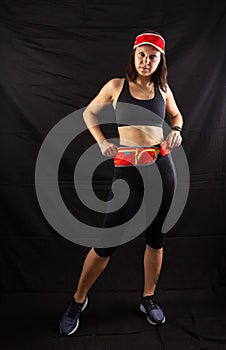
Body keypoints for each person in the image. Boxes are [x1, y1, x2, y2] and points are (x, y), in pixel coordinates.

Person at [59, 30, 183, 335]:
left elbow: (177, 115)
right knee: (106, 242)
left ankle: (148, 299)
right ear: (134, 55)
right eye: (141, 54)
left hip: (163, 166)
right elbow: (89, 112)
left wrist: (177, 130)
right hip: (128, 169)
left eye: (152, 56)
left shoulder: (163, 89)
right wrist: (101, 141)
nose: (146, 60)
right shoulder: (116, 86)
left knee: (155, 236)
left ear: (160, 60)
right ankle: (78, 301)